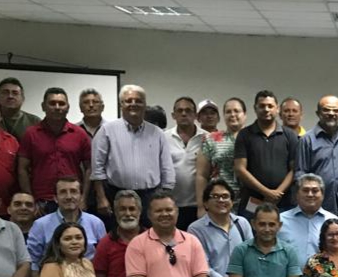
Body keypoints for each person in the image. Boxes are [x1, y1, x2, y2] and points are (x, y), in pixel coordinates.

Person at [91, 85, 175, 230]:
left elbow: (166, 166)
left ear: (145, 105)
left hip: (149, 196)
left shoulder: (157, 133)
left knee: (150, 237)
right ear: (121, 104)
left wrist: (164, 197)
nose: (133, 104)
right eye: (128, 100)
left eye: (138, 100)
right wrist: (101, 198)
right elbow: (97, 168)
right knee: (119, 236)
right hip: (116, 194)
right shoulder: (107, 130)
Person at [18, 87, 91, 214]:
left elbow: (89, 168)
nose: (57, 107)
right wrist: (30, 199)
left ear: (68, 107)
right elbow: (22, 168)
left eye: (62, 103)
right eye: (52, 103)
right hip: (42, 202)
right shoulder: (31, 134)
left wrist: (83, 197)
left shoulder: (79, 134)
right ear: (43, 106)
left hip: (72, 199)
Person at [234, 90, 299, 214]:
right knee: (252, 233)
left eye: (270, 106)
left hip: (284, 203)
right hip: (253, 203)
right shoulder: (244, 135)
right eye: (262, 106)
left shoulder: (290, 135)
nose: (266, 109)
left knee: (283, 233)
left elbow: (294, 169)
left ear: (277, 108)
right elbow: (240, 169)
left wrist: (277, 193)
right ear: (255, 108)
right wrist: (267, 192)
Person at [27, 177, 107, 272]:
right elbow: (33, 263)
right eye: (63, 192)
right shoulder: (40, 225)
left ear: (81, 196)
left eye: (73, 191)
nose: (69, 197)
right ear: (55, 198)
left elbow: (104, 259)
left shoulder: (96, 223)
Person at [296, 96, 338, 226]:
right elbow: (301, 174)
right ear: (318, 113)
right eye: (326, 110)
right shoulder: (307, 140)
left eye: (336, 110)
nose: (331, 114)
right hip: (317, 207)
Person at [197, 97, 247, 212]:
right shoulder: (210, 139)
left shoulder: (255, 139)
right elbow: (202, 175)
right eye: (228, 112)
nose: (232, 114)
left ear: (244, 114)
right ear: (223, 116)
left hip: (249, 202)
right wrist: (201, 206)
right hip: (218, 201)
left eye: (236, 111)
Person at [165, 97, 207, 230]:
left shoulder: (207, 138)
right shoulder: (163, 138)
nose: (184, 114)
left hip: (199, 206)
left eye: (188, 110)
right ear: (173, 115)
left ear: (195, 115)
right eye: (180, 110)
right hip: (172, 205)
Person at [278, 174, 338, 260]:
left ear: (322, 195)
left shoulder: (334, 222)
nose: (310, 195)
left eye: (315, 191)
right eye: (305, 190)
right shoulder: (280, 221)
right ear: (297, 194)